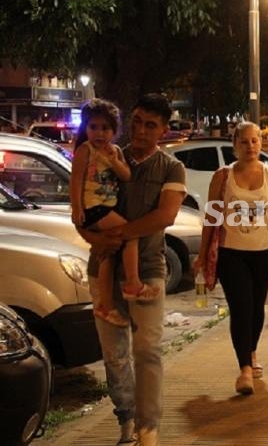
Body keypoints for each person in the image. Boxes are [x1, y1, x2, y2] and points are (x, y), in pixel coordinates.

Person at [77, 93, 187, 446]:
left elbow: (165, 216)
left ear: (163, 131)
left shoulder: (170, 167)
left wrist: (118, 234)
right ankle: (125, 418)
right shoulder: (109, 153)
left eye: (150, 125)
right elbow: (82, 203)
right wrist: (91, 236)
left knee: (148, 350)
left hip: (149, 268)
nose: (140, 130)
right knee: (114, 354)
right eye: (137, 121)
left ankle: (148, 425)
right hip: (104, 266)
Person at [194, 122, 268, 395]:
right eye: (244, 142)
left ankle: (251, 352)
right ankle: (244, 368)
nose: (251, 147)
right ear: (235, 145)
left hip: (264, 252)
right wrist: (203, 253)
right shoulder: (222, 176)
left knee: (256, 308)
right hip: (231, 253)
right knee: (241, 307)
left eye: (255, 141)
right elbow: (211, 218)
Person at [70, 99, 145, 329]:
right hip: (93, 208)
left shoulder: (114, 151)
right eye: (93, 127)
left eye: (105, 128)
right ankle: (133, 283)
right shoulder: (86, 150)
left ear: (114, 130)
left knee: (108, 254)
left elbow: (126, 176)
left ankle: (105, 305)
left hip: (106, 207)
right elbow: (76, 180)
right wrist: (77, 208)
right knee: (129, 233)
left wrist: (114, 161)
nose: (99, 133)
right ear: (86, 128)